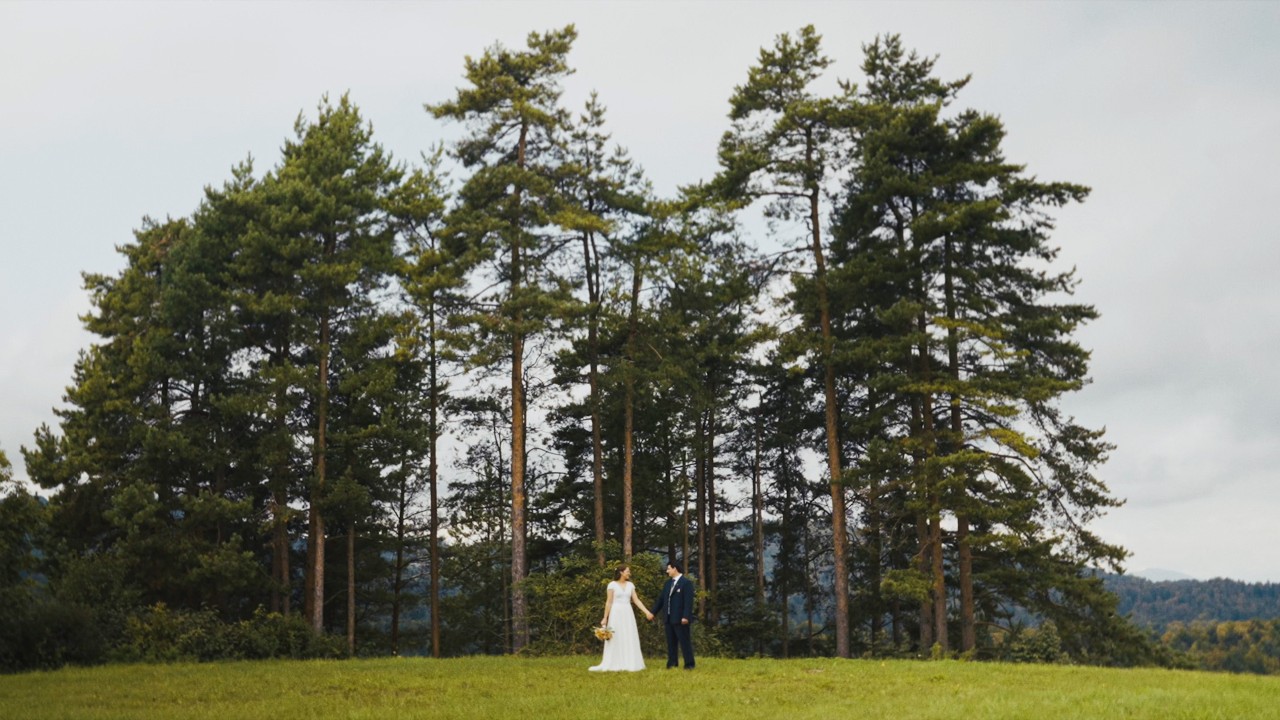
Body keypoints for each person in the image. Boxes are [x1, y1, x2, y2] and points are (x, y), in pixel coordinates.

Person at [588, 564, 653, 672]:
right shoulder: (612, 585)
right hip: (616, 613)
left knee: (628, 635)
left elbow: (636, 600)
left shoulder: (630, 585)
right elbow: (609, 602)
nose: (629, 573)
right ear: (621, 572)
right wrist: (605, 618)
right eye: (627, 571)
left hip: (628, 613)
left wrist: (647, 612)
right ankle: (614, 662)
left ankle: (630, 662)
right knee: (616, 636)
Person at [649, 560, 695, 670]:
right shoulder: (668, 584)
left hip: (680, 618)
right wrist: (652, 612)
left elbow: (688, 602)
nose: (667, 571)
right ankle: (672, 663)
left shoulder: (686, 583)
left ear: (675, 568)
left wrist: (685, 616)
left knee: (685, 642)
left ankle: (689, 664)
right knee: (671, 643)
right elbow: (661, 600)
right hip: (669, 618)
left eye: (668, 568)